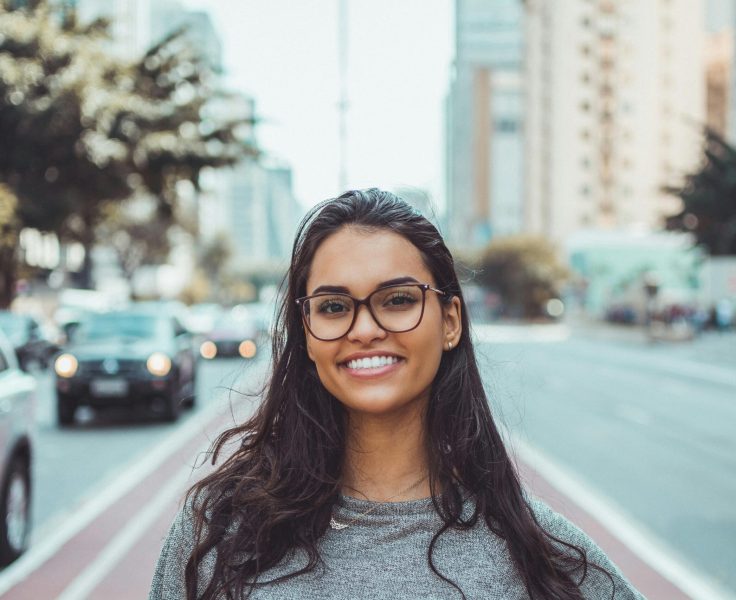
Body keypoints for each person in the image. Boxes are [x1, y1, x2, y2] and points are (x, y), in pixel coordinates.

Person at [150, 189, 642, 599]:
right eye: (334, 306)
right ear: (305, 333)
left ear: (449, 322)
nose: (364, 329)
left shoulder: (541, 557)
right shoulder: (217, 534)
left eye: (399, 300)